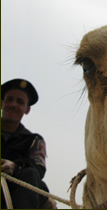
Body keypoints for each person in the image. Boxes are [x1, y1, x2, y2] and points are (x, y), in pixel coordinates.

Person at [1, 79, 56, 209]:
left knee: (30, 174)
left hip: (19, 193)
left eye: (20, 102)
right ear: (1, 103)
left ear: (27, 109)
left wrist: (15, 166)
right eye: (9, 99)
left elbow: (38, 168)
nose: (13, 105)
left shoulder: (34, 140)